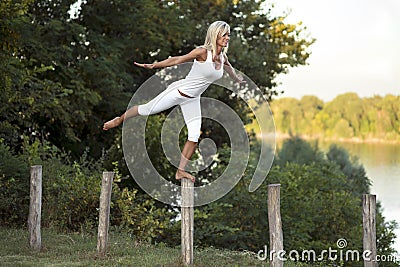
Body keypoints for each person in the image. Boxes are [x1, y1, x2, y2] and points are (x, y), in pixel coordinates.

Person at [103, 21, 244, 183]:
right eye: (224, 34)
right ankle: (118, 120)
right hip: (177, 92)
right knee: (146, 109)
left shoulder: (222, 57)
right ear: (215, 35)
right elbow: (178, 60)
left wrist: (238, 79)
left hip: (193, 99)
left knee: (193, 136)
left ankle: (180, 171)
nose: (227, 38)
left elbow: (229, 68)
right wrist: (154, 65)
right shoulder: (202, 52)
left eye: (228, 35)